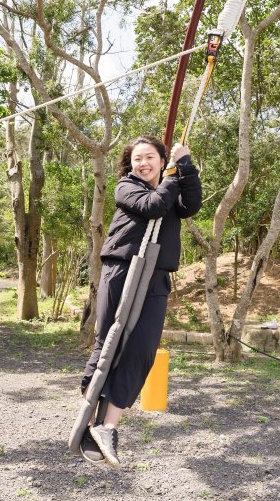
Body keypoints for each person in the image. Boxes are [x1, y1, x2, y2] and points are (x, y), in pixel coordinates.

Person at [79, 135, 202, 468]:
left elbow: (191, 205)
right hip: (122, 268)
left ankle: (109, 427)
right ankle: (91, 418)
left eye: (150, 157)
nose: (143, 163)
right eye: (137, 159)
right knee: (109, 343)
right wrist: (173, 176)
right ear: (130, 164)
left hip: (156, 274)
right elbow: (153, 207)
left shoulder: (171, 185)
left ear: (163, 160)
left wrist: (186, 166)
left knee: (143, 349)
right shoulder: (126, 187)